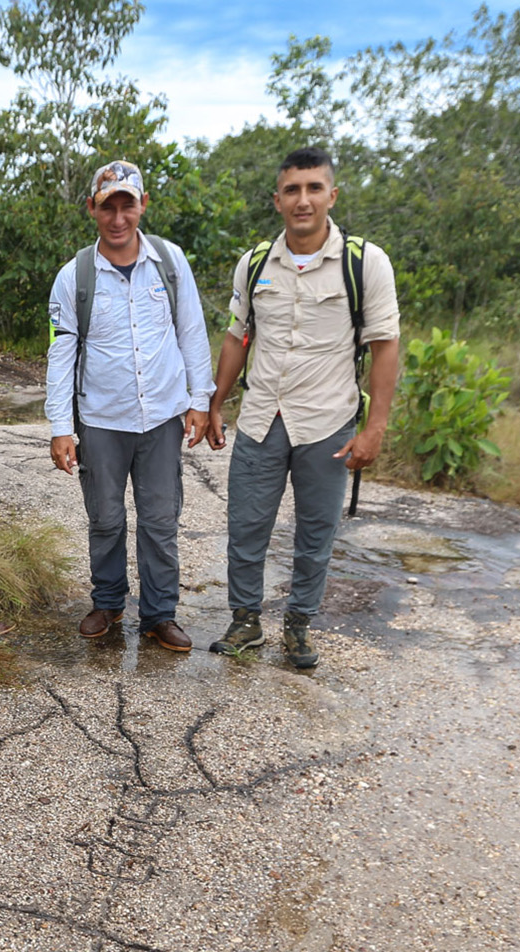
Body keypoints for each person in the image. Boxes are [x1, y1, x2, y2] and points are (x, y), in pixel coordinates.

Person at [192, 147, 400, 668]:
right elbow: (238, 337)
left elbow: (385, 345)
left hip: (328, 422)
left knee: (315, 533)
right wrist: (216, 402)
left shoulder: (364, 262)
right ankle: (245, 622)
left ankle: (299, 626)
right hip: (262, 417)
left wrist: (375, 428)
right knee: (246, 529)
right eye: (292, 190)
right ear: (277, 199)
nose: (302, 200)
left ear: (332, 194)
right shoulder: (256, 262)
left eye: (313, 188)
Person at [46, 160, 214, 652]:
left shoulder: (169, 261)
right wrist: (61, 427)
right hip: (100, 419)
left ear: (143, 206)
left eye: (128, 205)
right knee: (105, 517)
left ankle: (160, 614)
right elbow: (60, 351)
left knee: (161, 520)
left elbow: (191, 332)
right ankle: (108, 601)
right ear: (92, 209)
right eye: (108, 207)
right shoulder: (73, 276)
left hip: (162, 415)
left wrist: (198, 401)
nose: (118, 218)